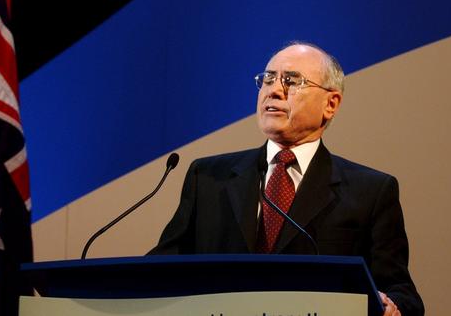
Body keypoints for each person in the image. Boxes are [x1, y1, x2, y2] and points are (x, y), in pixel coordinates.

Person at [149, 42, 424, 316]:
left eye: (291, 81)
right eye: (268, 78)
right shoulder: (208, 178)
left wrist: (392, 307)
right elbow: (161, 270)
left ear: (331, 104)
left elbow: (402, 292)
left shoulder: (371, 191)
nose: (274, 90)